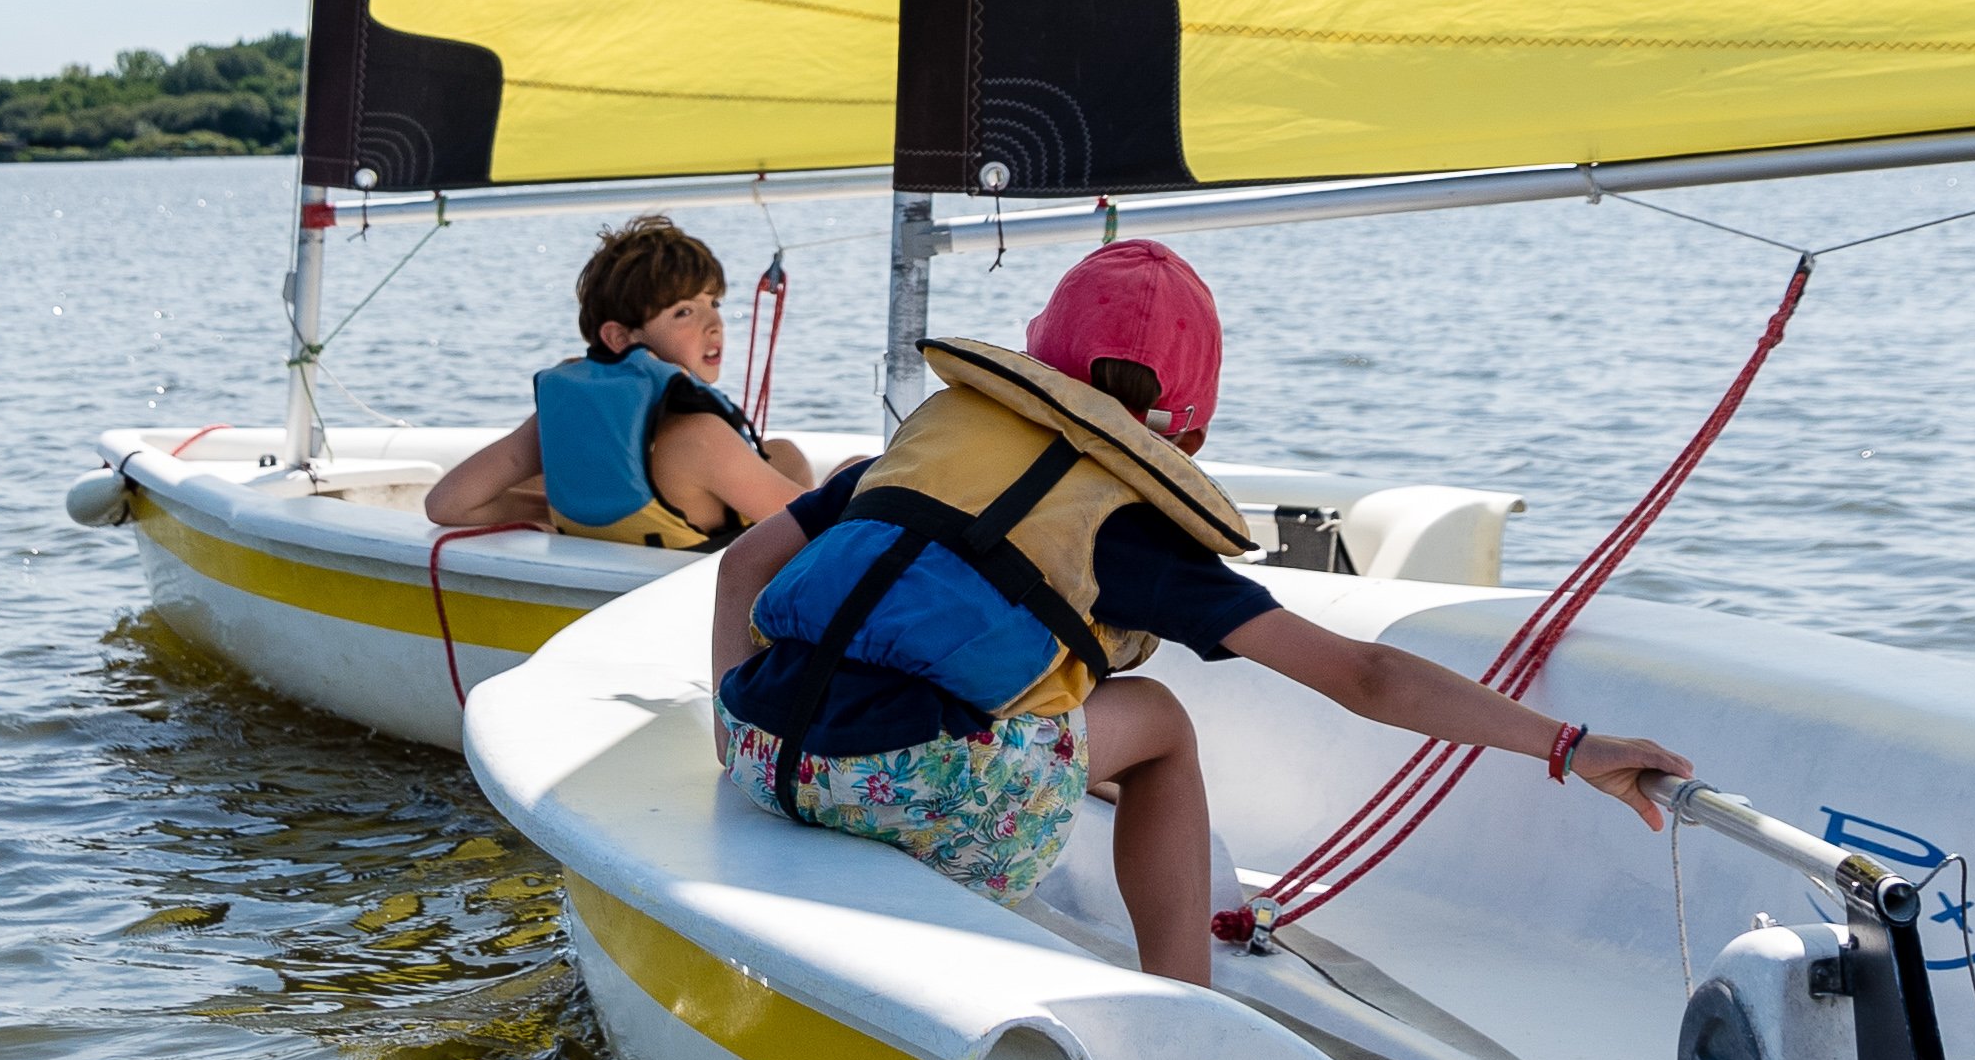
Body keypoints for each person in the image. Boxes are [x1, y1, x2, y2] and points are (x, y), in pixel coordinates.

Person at [705, 238, 1689, 984]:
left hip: (759, 748)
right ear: (1195, 430)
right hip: (916, 795)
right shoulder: (1137, 531)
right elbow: (1365, 676)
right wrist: (1569, 743)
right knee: (1161, 722)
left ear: (1033, 367)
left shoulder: (922, 445)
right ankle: (1183, 1000)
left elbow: (742, 566)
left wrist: (725, 729)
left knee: (1049, 684)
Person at [418, 214, 825, 550]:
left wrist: (553, 507)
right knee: (839, 469)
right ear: (619, 338)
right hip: (695, 601)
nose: (714, 323)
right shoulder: (700, 437)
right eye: (684, 312)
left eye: (713, 303)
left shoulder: (563, 423)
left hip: (608, 578)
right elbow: (821, 532)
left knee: (780, 452)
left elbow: (447, 503)